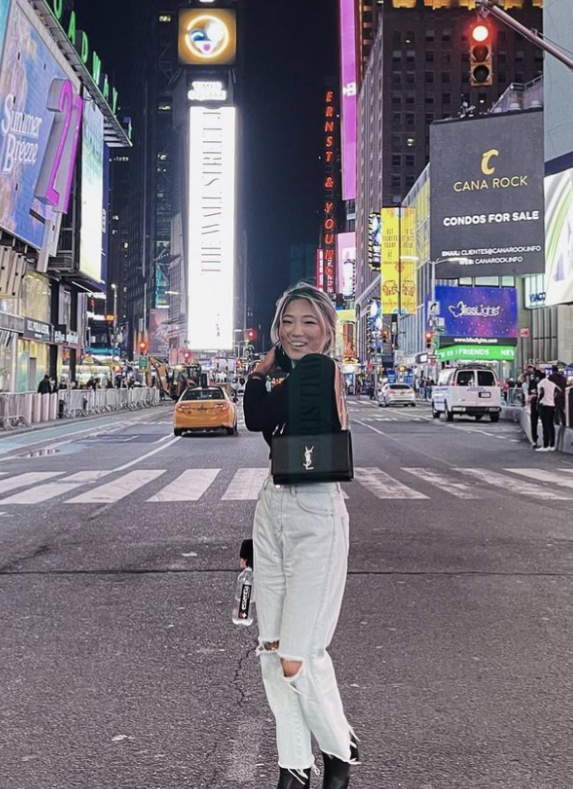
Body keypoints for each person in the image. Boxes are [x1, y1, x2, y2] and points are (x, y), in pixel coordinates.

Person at [243, 282, 358, 789]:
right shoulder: (298, 376)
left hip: (313, 512)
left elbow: (256, 416)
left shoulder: (317, 369)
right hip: (274, 504)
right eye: (288, 321)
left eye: (309, 321)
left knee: (297, 657)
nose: (296, 331)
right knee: (272, 651)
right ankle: (293, 766)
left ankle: (339, 749)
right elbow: (270, 424)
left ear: (328, 330)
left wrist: (257, 372)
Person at [536, 369, 559, 452]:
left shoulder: (541, 383)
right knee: (551, 425)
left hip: (544, 405)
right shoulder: (552, 383)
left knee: (545, 426)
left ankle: (545, 445)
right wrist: (552, 399)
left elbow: (541, 393)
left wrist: (538, 402)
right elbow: (557, 392)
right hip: (552, 405)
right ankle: (552, 445)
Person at [526, 366, 542, 449]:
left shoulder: (532, 382)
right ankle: (548, 441)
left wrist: (533, 395)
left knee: (534, 422)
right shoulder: (545, 382)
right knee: (546, 423)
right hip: (544, 404)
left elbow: (530, 392)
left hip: (534, 403)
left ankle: (534, 441)